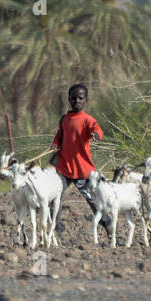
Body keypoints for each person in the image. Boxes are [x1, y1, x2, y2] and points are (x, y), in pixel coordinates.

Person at [52, 83, 105, 223]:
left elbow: (97, 129)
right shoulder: (64, 120)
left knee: (94, 202)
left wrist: (96, 135)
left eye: (80, 98)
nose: (77, 101)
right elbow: (59, 135)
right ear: (69, 99)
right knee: (54, 198)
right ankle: (56, 231)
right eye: (73, 98)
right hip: (64, 168)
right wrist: (55, 144)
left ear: (86, 100)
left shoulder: (88, 120)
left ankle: (109, 226)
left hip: (83, 170)